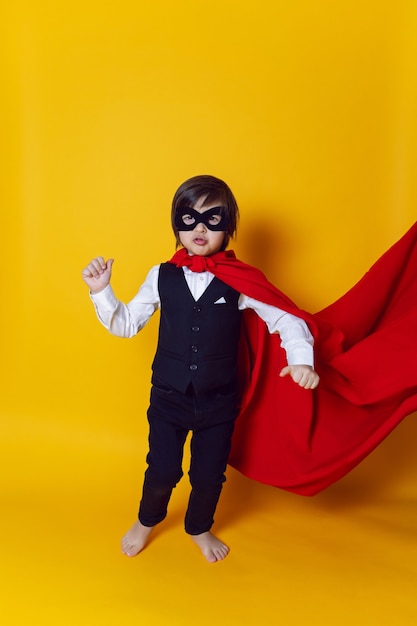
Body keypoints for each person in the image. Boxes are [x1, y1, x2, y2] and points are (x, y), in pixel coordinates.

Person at [82, 174, 320, 563]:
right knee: (161, 469)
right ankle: (146, 520)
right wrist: (101, 290)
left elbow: (286, 319)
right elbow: (126, 324)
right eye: (189, 217)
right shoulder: (161, 276)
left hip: (219, 400)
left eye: (213, 218)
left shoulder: (241, 282)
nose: (200, 228)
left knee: (208, 475)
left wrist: (300, 361)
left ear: (229, 228)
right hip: (169, 397)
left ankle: (199, 526)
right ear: (177, 223)